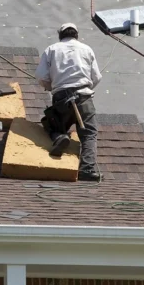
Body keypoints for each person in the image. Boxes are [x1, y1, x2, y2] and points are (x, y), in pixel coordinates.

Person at [35, 22, 103, 182]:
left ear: (61, 36)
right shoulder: (86, 49)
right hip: (84, 97)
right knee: (89, 133)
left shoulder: (51, 49)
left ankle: (59, 137)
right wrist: (85, 87)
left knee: (52, 125)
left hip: (61, 98)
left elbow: (41, 76)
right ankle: (87, 169)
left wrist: (52, 87)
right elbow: (97, 77)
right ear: (76, 35)